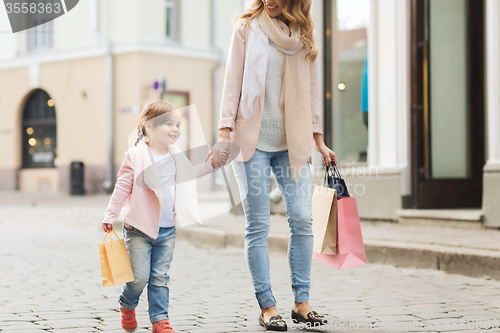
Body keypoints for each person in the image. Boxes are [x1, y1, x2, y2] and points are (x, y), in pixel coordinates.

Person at [208, 0, 338, 331]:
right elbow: (231, 83)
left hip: (290, 143)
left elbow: (312, 93)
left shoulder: (303, 36)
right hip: (250, 143)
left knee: (302, 218)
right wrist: (225, 132)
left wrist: (318, 139)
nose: (270, 0)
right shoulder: (246, 28)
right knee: (258, 225)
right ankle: (267, 306)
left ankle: (301, 302)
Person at [102, 101, 226, 333]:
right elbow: (122, 187)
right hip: (139, 228)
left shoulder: (176, 155)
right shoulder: (135, 156)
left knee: (159, 277)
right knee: (139, 278)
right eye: (168, 123)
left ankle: (160, 320)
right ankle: (127, 304)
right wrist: (111, 214)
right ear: (148, 126)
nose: (175, 129)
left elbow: (191, 175)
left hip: (167, 229)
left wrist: (211, 164)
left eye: (178, 124)